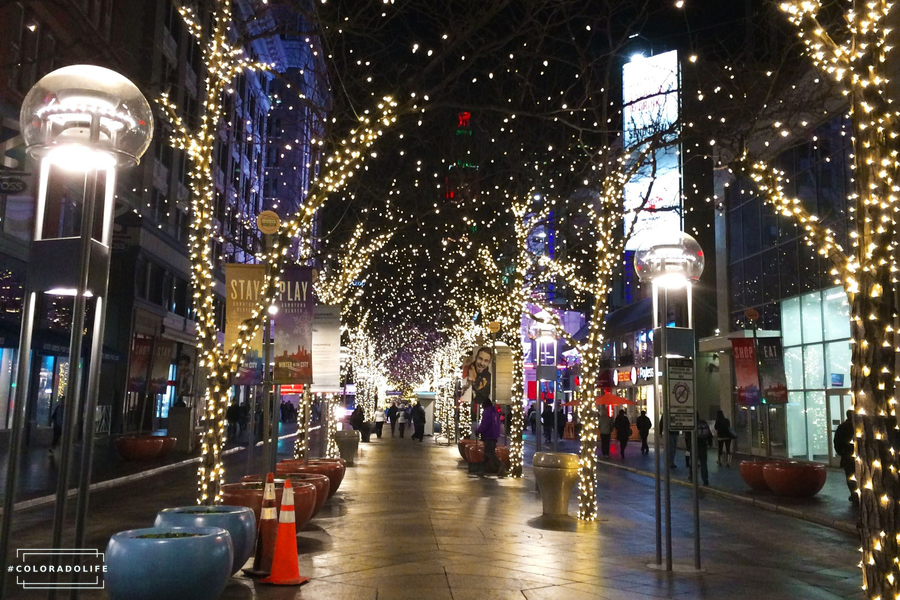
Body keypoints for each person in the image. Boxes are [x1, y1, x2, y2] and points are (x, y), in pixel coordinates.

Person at [473, 397, 507, 477]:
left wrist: (478, 431)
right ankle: (481, 471)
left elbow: (484, 424)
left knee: (489, 453)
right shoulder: (494, 411)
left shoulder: (487, 412)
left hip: (489, 435)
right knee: (486, 455)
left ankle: (500, 465)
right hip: (493, 435)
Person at [833, 410, 858, 504]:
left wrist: (842, 452)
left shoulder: (842, 427)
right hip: (853, 457)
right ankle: (857, 495)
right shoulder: (858, 427)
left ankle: (854, 494)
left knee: (850, 476)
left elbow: (837, 442)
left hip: (847, 457)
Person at [686, 414, 713, 485]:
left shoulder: (692, 424)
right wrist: (710, 443)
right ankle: (705, 480)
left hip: (694, 446)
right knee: (703, 463)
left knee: (693, 463)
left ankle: (692, 477)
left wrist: (688, 446)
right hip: (703, 446)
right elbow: (709, 434)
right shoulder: (703, 423)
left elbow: (687, 436)